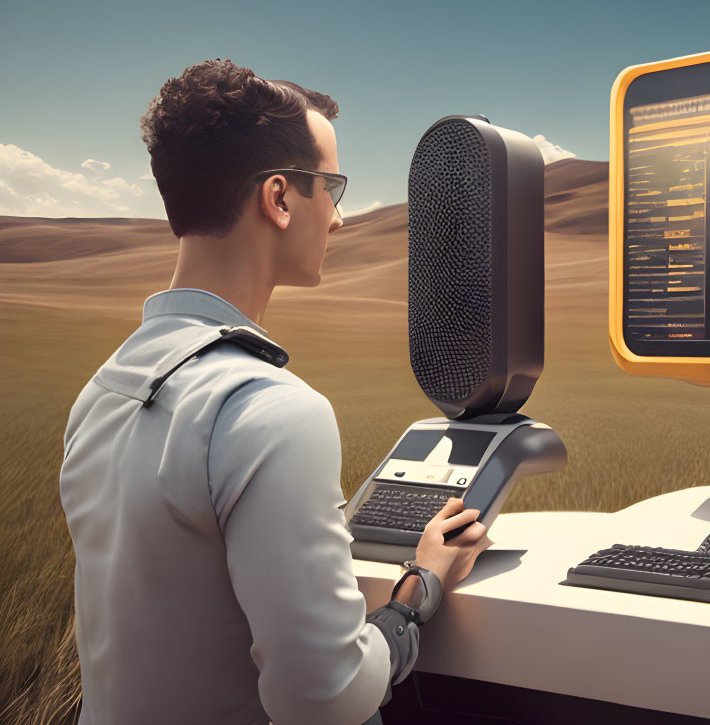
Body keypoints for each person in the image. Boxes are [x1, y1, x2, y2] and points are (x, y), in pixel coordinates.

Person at [59, 59, 491, 725]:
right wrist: (415, 591)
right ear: (281, 198)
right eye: (334, 188)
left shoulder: (102, 390)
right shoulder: (269, 409)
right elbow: (327, 697)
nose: (340, 220)